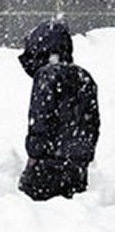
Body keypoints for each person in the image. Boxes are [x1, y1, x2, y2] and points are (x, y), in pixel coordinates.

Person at [17, 19, 100, 201]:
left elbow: (40, 119)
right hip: (78, 167)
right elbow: (92, 123)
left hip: (48, 165)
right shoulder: (84, 77)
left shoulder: (47, 75)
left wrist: (35, 154)